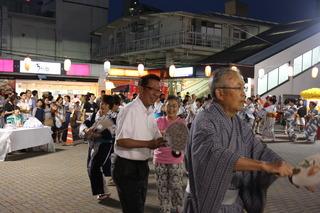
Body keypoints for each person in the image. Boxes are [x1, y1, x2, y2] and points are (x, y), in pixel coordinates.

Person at [183, 68, 293, 213]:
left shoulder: (238, 122)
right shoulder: (204, 119)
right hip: (206, 204)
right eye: (238, 88)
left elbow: (259, 151)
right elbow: (213, 154)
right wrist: (265, 166)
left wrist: (293, 171)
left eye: (244, 88)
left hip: (234, 205)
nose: (244, 94)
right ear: (220, 93)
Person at [112, 74, 165, 213]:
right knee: (133, 209)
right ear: (141, 89)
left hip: (141, 165)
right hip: (126, 167)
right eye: (152, 89)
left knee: (139, 206)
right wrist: (149, 144)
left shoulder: (150, 111)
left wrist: (167, 139)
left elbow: (155, 136)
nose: (156, 93)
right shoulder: (130, 110)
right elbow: (121, 141)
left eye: (158, 90)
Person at [154, 95, 186, 213]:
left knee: (176, 187)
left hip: (175, 160)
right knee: (162, 188)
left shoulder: (182, 122)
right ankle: (165, 210)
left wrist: (165, 135)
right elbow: (155, 139)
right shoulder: (158, 120)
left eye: (174, 106)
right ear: (164, 107)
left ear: (178, 108)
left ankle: (178, 209)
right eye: (169, 106)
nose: (171, 109)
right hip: (159, 159)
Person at [80, 95, 115, 200]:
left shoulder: (112, 117)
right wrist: (86, 131)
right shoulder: (95, 114)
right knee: (91, 168)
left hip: (105, 145)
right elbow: (84, 124)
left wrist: (97, 134)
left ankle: (102, 191)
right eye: (102, 103)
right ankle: (104, 191)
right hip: (92, 144)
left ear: (110, 106)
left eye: (106, 104)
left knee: (94, 167)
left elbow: (113, 133)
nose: (102, 105)